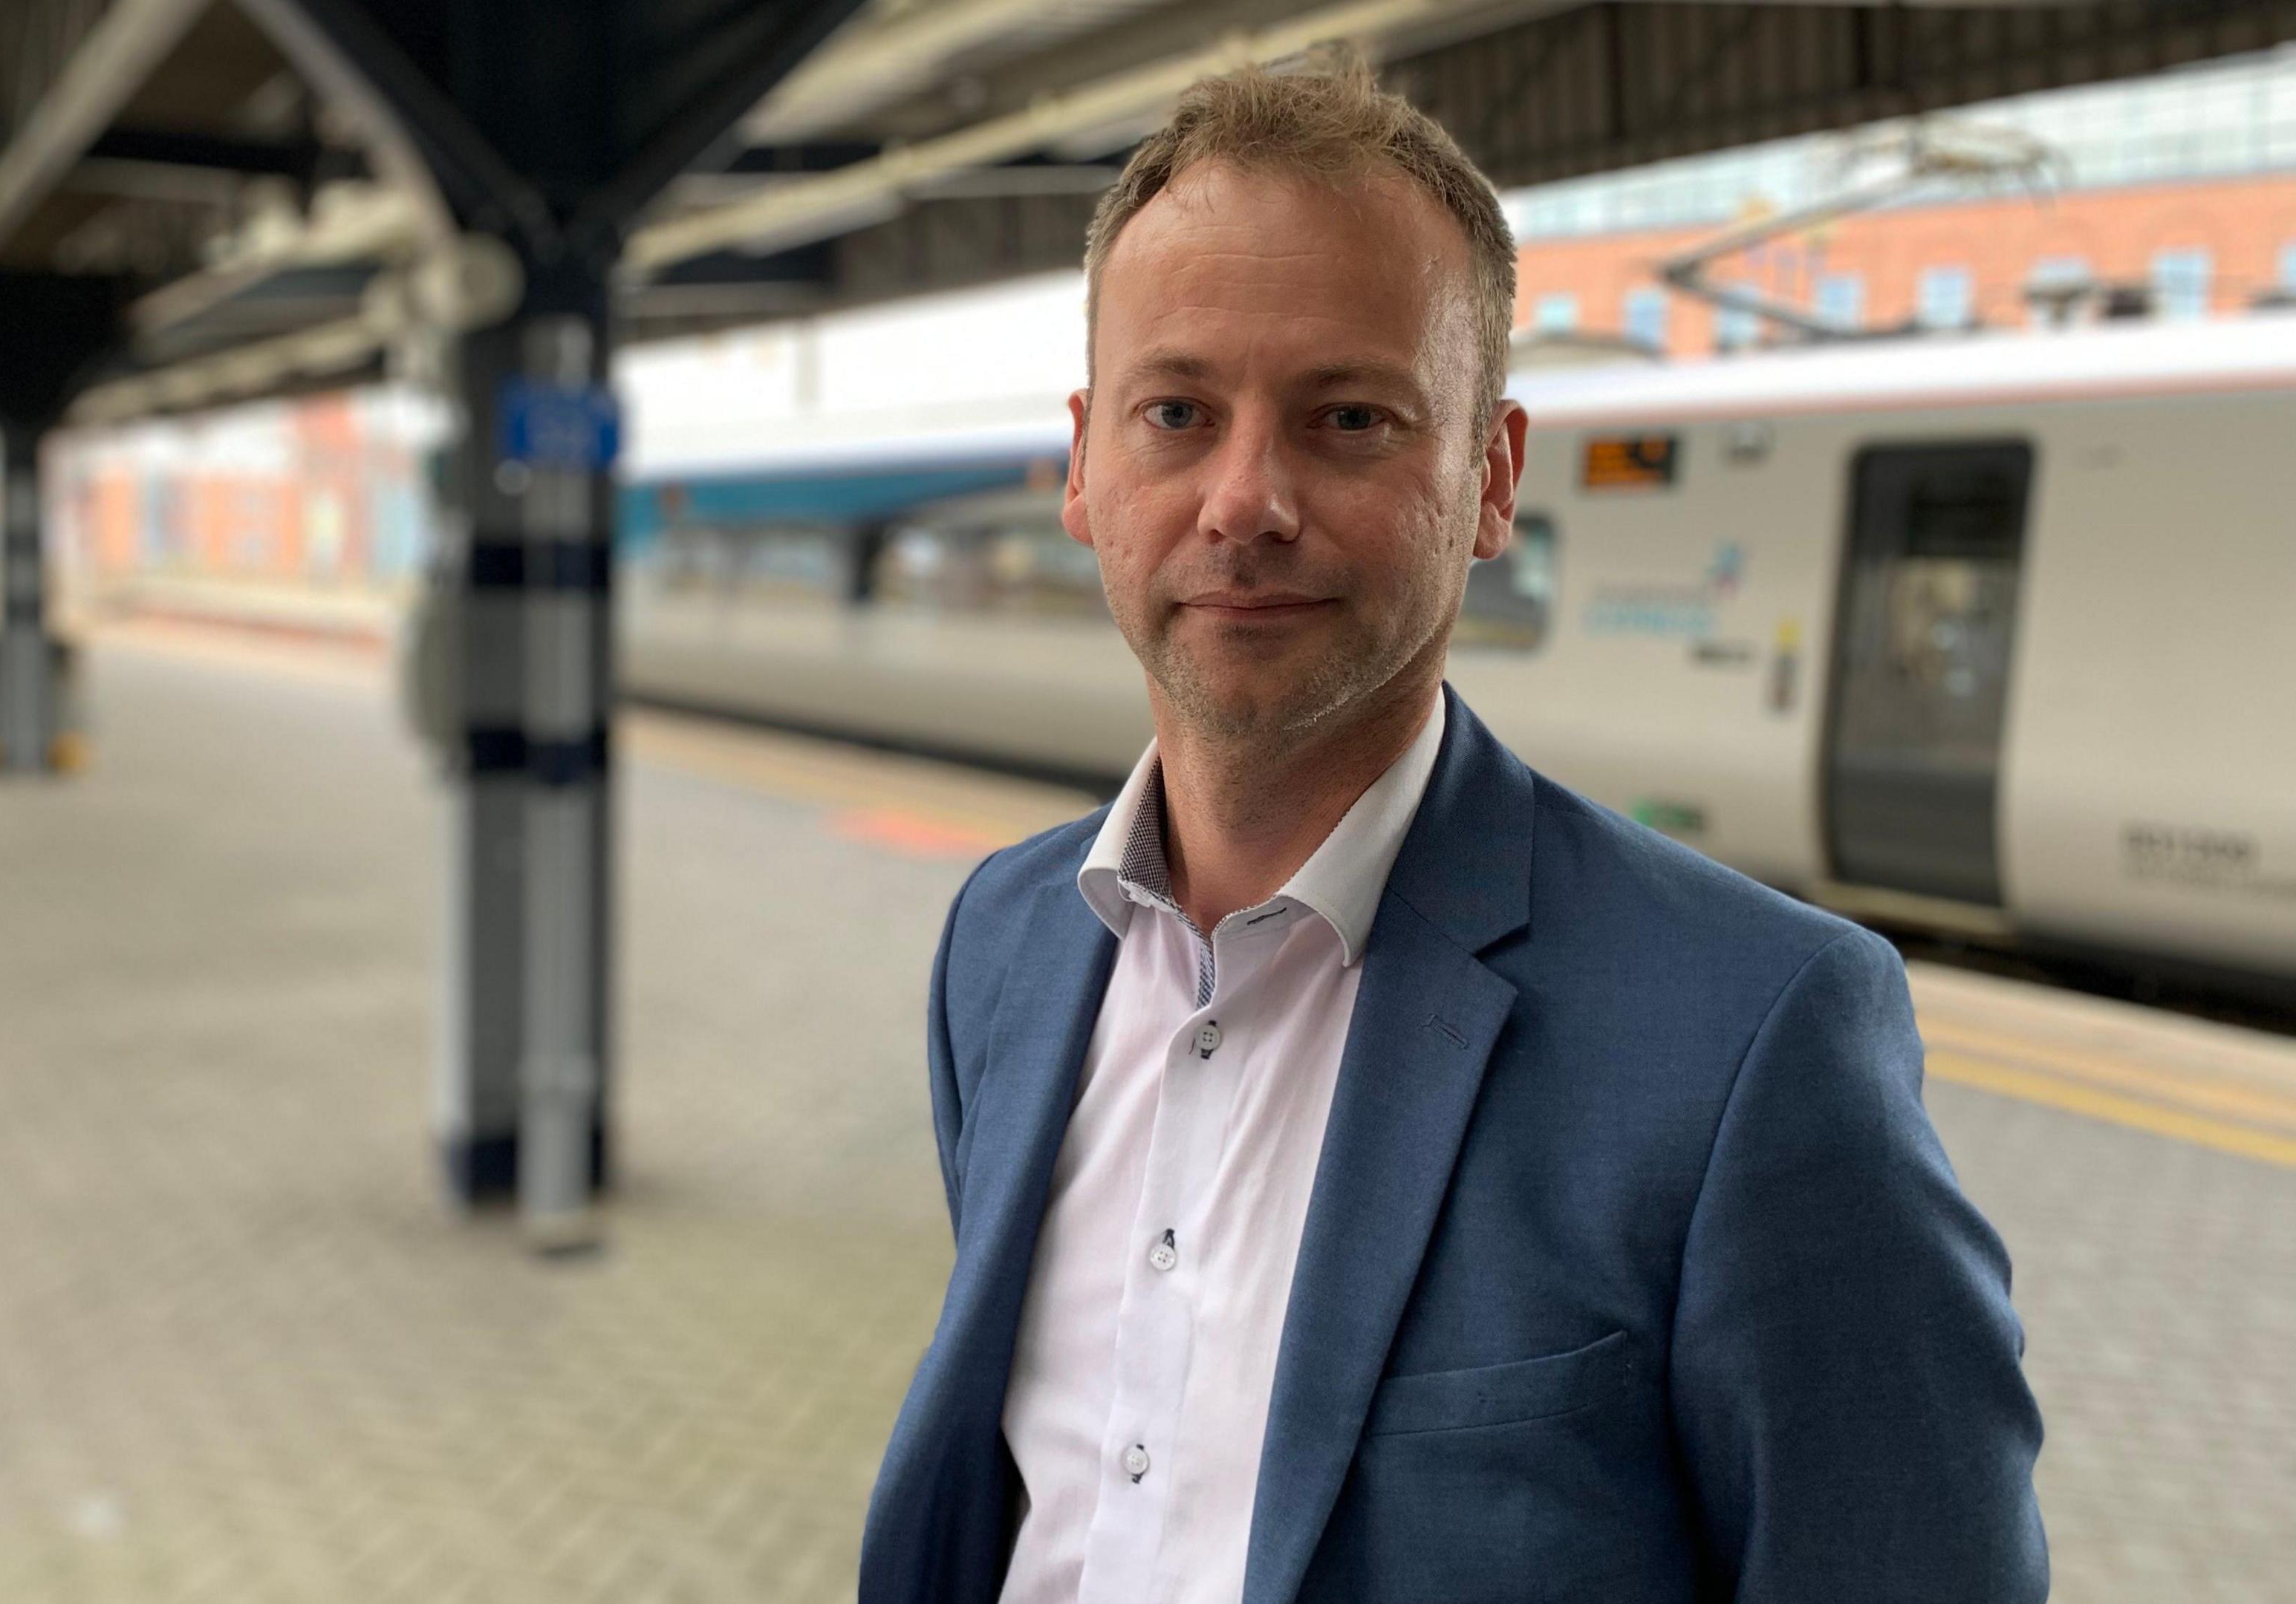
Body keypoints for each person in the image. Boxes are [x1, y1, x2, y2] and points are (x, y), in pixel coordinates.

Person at [857, 59, 2046, 1604]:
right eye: (1176, 411)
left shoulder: (1758, 1042)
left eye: (1348, 418)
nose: (1245, 498)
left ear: (1490, 477)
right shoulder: (1003, 947)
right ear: (1085, 463)